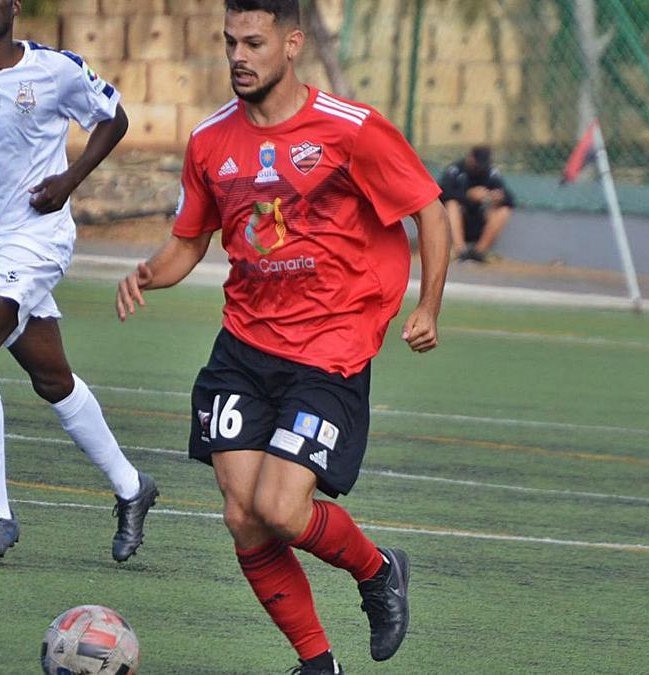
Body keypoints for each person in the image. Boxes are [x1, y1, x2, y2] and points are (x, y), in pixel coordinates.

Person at [115, 1, 450, 672]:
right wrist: (152, 273)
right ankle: (316, 662)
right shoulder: (210, 141)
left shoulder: (350, 130)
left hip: (330, 351)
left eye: (254, 42)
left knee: (279, 506)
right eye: (231, 41)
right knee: (243, 515)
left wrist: (429, 306)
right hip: (243, 348)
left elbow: (429, 210)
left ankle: (380, 570)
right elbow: (191, 241)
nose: (239, 55)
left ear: (292, 44)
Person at [0, 0, 158, 563]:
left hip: (39, 237)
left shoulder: (54, 69)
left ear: (14, 6)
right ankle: (132, 487)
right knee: (52, 378)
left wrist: (69, 179)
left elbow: (114, 118)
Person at [438, 145, 515, 263]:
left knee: (503, 211)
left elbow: (510, 199)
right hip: (457, 220)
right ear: (470, 158)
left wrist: (498, 197)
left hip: (479, 219)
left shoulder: (490, 172)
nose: (479, 167)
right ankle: (460, 251)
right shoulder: (455, 170)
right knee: (452, 204)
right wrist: (468, 195)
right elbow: (441, 193)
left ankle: (479, 252)